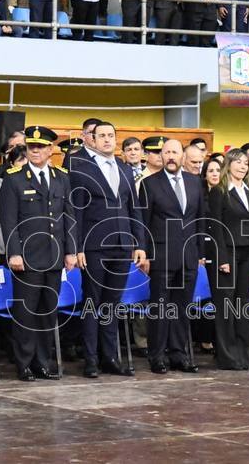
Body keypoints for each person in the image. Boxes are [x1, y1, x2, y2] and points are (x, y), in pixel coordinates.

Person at [68, 120, 144, 377]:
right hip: (94, 246)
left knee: (112, 303)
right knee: (92, 302)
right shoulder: (81, 169)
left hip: (122, 245)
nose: (107, 139)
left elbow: (134, 209)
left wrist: (139, 243)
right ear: (92, 139)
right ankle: (91, 359)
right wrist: (77, 247)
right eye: (102, 136)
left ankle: (110, 358)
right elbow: (76, 212)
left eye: (111, 135)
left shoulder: (125, 169)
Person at [0, 127, 76, 381]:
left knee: (47, 313)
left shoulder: (61, 177)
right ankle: (24, 364)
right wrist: (14, 253)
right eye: (31, 146)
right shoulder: (14, 178)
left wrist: (71, 251)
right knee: (26, 314)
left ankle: (42, 363)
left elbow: (69, 217)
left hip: (54, 256)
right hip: (27, 257)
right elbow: (9, 221)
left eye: (40, 147)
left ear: (50, 150)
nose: (35, 151)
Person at [140, 138, 204, 374]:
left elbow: (200, 219)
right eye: (166, 152)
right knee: (160, 308)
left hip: (189, 256)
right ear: (161, 156)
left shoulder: (195, 182)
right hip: (161, 255)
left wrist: (200, 253)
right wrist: (145, 254)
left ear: (182, 157)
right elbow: (143, 223)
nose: (170, 157)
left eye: (175, 152)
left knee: (182, 307)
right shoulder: (149, 184)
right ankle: (157, 356)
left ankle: (179, 354)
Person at [207, 149, 249, 370]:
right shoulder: (219, 191)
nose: (243, 166)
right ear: (228, 165)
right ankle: (227, 356)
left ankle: (243, 354)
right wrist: (221, 258)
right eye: (238, 162)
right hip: (227, 252)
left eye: (245, 163)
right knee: (226, 304)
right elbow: (216, 227)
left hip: (248, 252)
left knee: (243, 303)